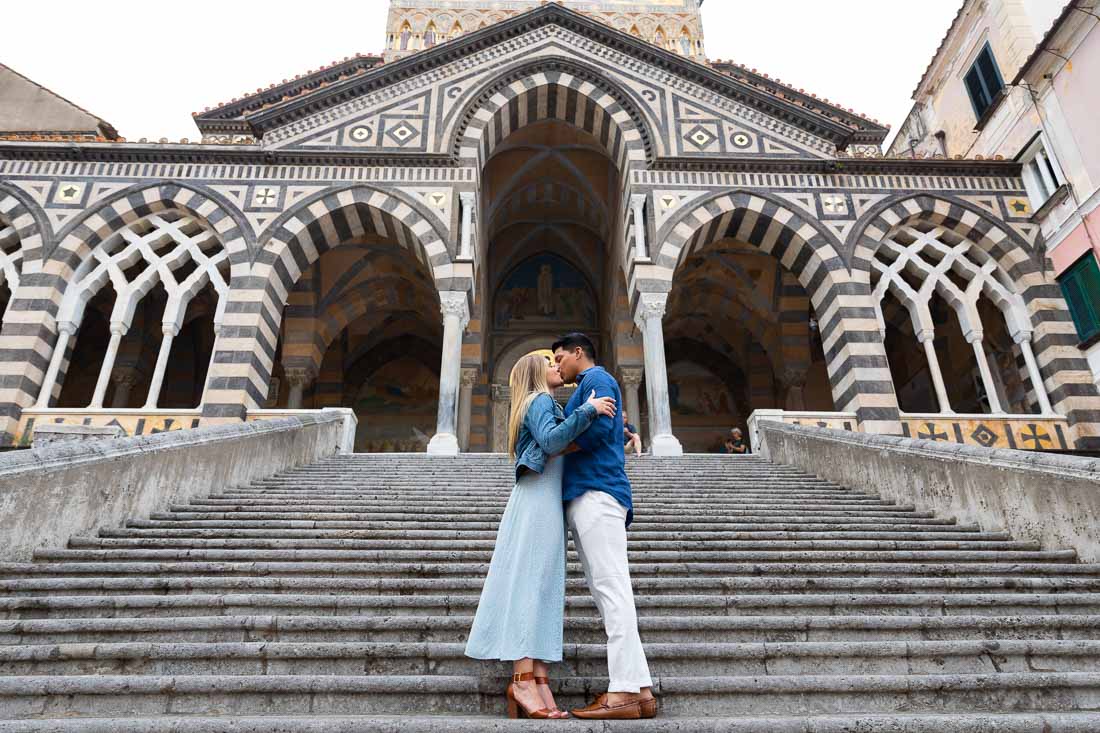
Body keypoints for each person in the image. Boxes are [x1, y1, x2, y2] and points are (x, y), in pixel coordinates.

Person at [465, 353, 617, 720]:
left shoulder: (547, 404)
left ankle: (539, 678)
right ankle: (520, 679)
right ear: (536, 373)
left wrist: (617, 430)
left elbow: (565, 443)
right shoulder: (539, 400)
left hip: (546, 501)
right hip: (535, 501)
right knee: (531, 587)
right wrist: (591, 409)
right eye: (548, 362)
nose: (555, 365)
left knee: (546, 589)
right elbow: (550, 443)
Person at [552, 333, 658, 720]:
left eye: (560, 356)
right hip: (593, 493)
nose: (557, 364)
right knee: (609, 591)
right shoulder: (591, 384)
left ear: (579, 353)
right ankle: (641, 689)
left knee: (611, 592)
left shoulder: (597, 381)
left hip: (596, 492)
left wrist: (555, 445)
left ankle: (623, 692)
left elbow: (597, 432)